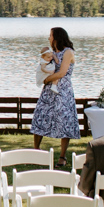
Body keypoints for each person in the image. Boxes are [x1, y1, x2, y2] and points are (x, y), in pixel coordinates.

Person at [29, 27, 80, 167]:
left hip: (63, 91)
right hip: (48, 91)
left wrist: (46, 80)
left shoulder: (68, 52)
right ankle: (36, 152)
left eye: (50, 36)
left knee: (65, 119)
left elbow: (62, 72)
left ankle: (62, 157)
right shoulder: (51, 53)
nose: (49, 38)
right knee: (40, 116)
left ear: (57, 37)